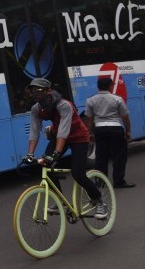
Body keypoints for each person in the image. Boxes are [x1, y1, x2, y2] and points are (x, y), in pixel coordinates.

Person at [24, 78, 109, 220]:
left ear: (48, 91)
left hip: (78, 138)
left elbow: (64, 130)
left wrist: (57, 153)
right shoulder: (36, 109)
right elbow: (34, 131)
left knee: (78, 173)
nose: (35, 93)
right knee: (46, 165)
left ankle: (99, 201)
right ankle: (61, 201)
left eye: (39, 90)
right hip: (59, 137)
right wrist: (30, 154)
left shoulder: (64, 105)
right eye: (32, 91)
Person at [84, 77, 134, 188]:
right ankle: (118, 181)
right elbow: (125, 117)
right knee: (119, 156)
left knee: (101, 156)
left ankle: (101, 182)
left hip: (100, 130)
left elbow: (89, 119)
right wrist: (128, 131)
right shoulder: (117, 99)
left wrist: (89, 133)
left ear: (98, 87)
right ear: (111, 86)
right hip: (115, 129)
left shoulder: (90, 100)